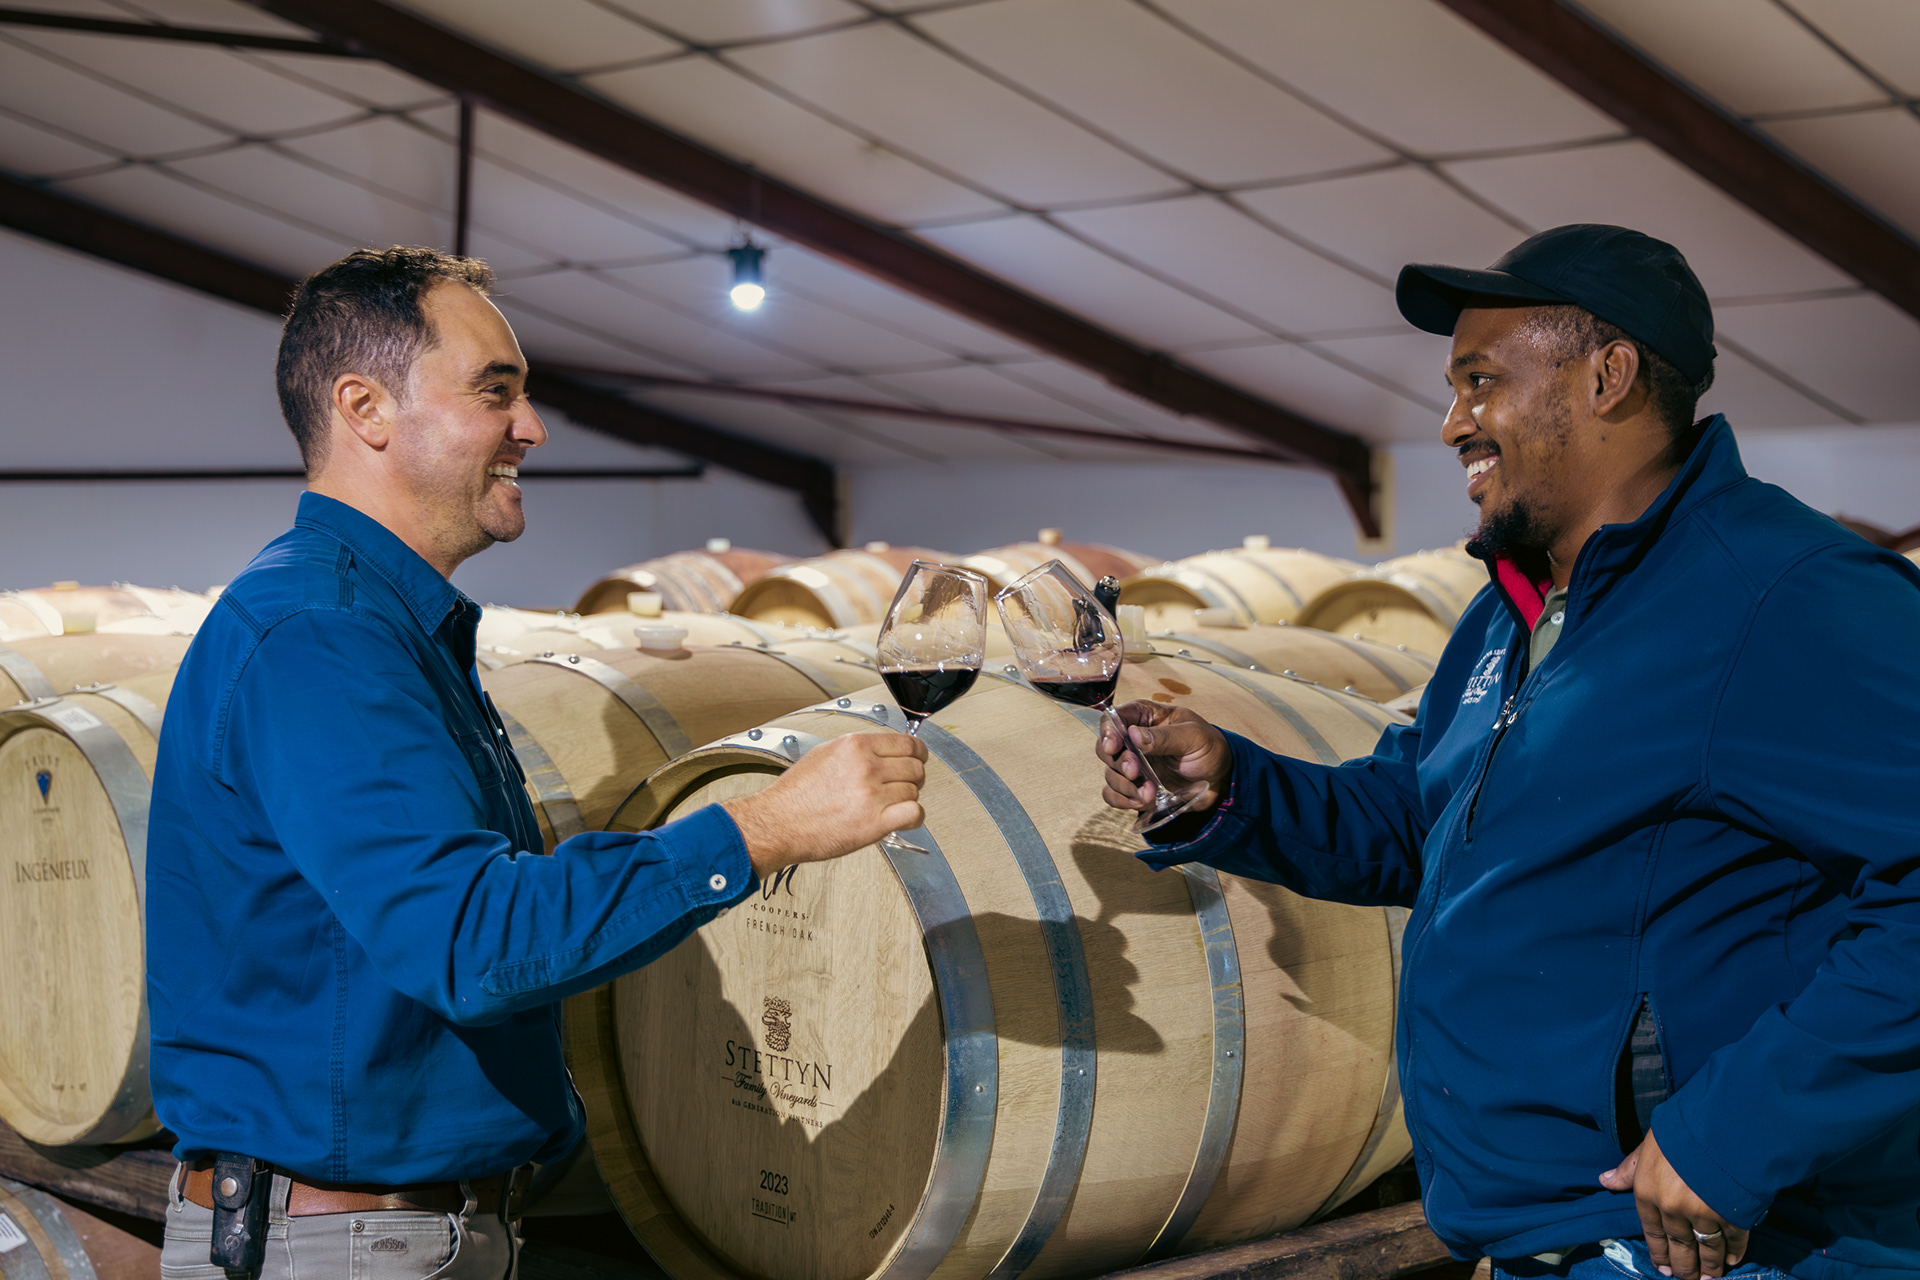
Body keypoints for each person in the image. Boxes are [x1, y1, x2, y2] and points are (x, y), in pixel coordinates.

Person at [1098, 225, 1920, 1280]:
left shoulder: (1786, 596)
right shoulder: (1517, 610)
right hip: (1548, 1232)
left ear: (1608, 376)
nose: (1453, 424)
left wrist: (1733, 1131)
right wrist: (1233, 786)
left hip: (1720, 1246)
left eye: (1480, 382)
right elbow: (1424, 815)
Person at [146, 247, 927, 1280]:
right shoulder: (322, 635)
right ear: (365, 408)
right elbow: (470, 937)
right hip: (343, 1247)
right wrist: (763, 827)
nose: (532, 426)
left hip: (383, 1236)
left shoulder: (381, 622)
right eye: (495, 390)